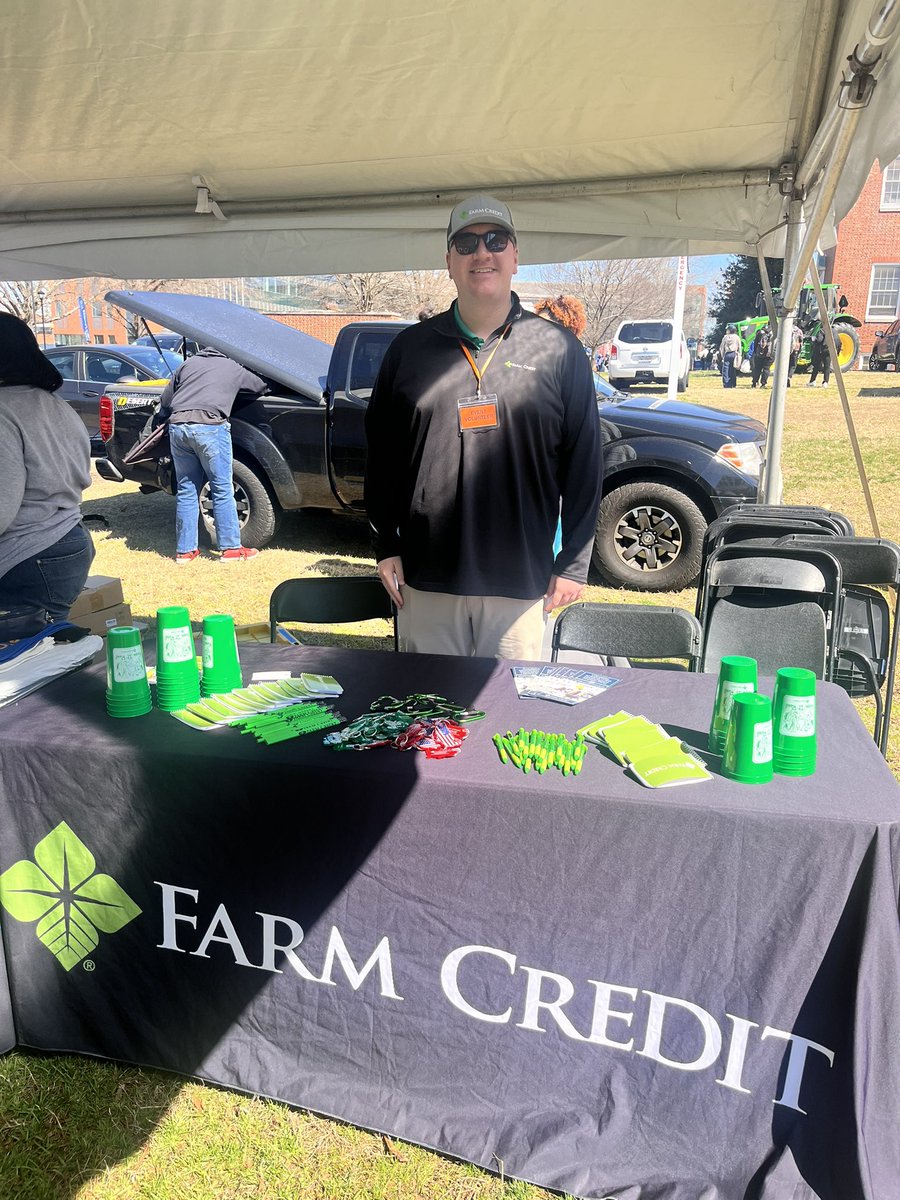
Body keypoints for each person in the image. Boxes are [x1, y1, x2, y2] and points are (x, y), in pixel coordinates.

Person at [364, 194, 602, 659]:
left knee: (510, 720)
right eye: (466, 243)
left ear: (515, 255)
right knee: (429, 718)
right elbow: (382, 457)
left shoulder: (558, 350)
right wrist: (385, 544)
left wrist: (573, 563)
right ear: (449, 261)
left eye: (496, 240)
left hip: (521, 583)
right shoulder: (408, 351)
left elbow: (584, 463)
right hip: (426, 579)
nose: (482, 253)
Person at [0, 313, 94, 641]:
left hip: (29, 551)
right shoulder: (52, 403)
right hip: (66, 537)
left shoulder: (3, 410)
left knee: (26, 667)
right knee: (43, 659)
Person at [158, 348, 268, 563]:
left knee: (187, 489)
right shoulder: (232, 367)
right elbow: (262, 385)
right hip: (209, 427)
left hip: (178, 428)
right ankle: (231, 549)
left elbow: (166, 399)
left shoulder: (187, 365)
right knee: (221, 487)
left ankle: (185, 551)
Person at [750, 323, 774, 389]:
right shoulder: (774, 332)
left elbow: (755, 343)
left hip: (759, 353)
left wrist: (755, 352)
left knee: (757, 368)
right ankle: (763, 384)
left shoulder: (760, 332)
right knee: (766, 368)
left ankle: (754, 383)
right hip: (769, 354)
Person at [719, 324, 742, 388]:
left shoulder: (725, 337)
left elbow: (722, 347)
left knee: (726, 369)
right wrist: (739, 354)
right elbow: (739, 346)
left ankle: (726, 384)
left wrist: (722, 355)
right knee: (733, 369)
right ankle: (733, 383)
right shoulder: (737, 337)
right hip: (734, 353)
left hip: (727, 354)